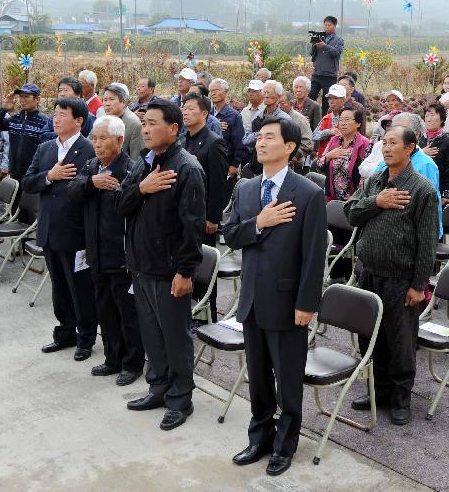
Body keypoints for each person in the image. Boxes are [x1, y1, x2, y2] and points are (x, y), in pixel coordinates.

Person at [224, 118, 326, 476]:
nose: (261, 143)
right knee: (258, 375)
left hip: (287, 302)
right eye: (260, 137)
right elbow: (231, 234)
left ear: (290, 147)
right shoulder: (247, 189)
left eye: (270, 138)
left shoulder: (309, 193)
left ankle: (285, 445)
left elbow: (315, 255)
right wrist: (260, 222)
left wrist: (307, 303)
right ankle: (259, 438)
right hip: (252, 298)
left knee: (287, 378)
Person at [116, 99, 206, 431]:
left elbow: (192, 227)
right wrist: (141, 188)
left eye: (154, 123)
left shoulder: (187, 168)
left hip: (169, 271)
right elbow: (120, 205)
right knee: (152, 335)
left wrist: (185, 271)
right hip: (141, 266)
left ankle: (181, 398)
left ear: (173, 128)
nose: (147, 129)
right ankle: (158, 388)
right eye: (145, 123)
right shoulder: (144, 163)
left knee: (175, 337)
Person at [345, 126, 440, 424]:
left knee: (400, 342)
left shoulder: (422, 189)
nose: (385, 148)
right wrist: (377, 202)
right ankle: (379, 391)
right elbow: (351, 212)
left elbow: (427, 244)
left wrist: (418, 285)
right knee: (369, 339)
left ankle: (401, 398)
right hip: (369, 273)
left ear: (410, 148)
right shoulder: (375, 180)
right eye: (383, 143)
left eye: (393, 143)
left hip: (400, 280)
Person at [67, 115, 145, 386]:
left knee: (127, 312)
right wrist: (91, 183)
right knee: (105, 309)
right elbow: (72, 192)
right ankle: (112, 358)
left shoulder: (132, 170)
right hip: (96, 252)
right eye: (94, 138)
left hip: (122, 255)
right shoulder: (91, 166)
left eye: (102, 139)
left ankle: (132, 363)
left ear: (120, 141)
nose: (96, 144)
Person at [23, 97, 98, 362]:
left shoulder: (89, 149)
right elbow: (28, 182)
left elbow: (90, 190)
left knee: (80, 288)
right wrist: (49, 176)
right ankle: (65, 332)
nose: (56, 118)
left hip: (75, 231)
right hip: (49, 229)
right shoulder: (45, 148)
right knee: (59, 288)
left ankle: (86, 337)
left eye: (62, 114)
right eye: (54, 113)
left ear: (78, 121)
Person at [182, 93, 229, 323]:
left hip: (203, 215)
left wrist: (213, 218)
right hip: (184, 213)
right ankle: (189, 307)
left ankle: (206, 312)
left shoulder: (213, 142)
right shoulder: (184, 139)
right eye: (184, 108)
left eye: (191, 109)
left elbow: (219, 184)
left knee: (203, 265)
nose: (185, 112)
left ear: (204, 113)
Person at [0, 83, 51, 221]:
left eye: (27, 96)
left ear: (37, 99)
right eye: (21, 96)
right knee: (15, 209)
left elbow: (47, 149)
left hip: (32, 174)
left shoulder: (43, 121)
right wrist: (4, 109)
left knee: (30, 213)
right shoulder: (15, 118)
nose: (22, 100)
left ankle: (28, 240)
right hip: (15, 173)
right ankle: (20, 241)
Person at [316, 108, 370, 201]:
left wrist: (355, 200)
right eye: (341, 120)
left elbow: (366, 177)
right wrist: (328, 156)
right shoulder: (334, 140)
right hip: (331, 198)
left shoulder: (365, 144)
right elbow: (319, 165)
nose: (343, 123)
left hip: (353, 201)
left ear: (358, 123)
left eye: (347, 120)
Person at [209, 78, 247, 183]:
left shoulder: (234, 116)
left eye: (216, 90)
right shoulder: (207, 114)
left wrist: (235, 165)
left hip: (226, 163)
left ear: (225, 92)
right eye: (211, 91)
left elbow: (239, 143)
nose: (213, 93)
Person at [309, 15, 344, 115]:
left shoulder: (339, 40)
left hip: (329, 75)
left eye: (329, 25)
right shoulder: (320, 37)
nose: (327, 27)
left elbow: (337, 53)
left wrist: (325, 46)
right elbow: (313, 54)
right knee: (311, 98)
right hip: (317, 73)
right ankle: (310, 120)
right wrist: (314, 44)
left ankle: (325, 122)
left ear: (335, 26)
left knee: (327, 102)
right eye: (325, 25)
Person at [101, 82, 143, 160]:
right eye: (105, 100)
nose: (107, 104)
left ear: (123, 102)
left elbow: (136, 159)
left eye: (111, 99)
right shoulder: (103, 120)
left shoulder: (134, 124)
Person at [421, 102, 449, 188]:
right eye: (427, 116)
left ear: (441, 119)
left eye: (432, 115)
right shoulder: (420, 138)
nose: (428, 119)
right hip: (420, 183)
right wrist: (421, 152)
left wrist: (447, 190)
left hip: (438, 184)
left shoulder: (448, 140)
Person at [278, 91, 313, 165]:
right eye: (277, 103)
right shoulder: (274, 117)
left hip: (294, 164)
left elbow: (307, 143)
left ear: (291, 103)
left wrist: (294, 156)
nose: (279, 106)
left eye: (282, 103)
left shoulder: (300, 120)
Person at [313, 83, 347, 157]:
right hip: (323, 160)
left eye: (335, 98)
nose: (331, 101)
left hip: (340, 159)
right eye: (330, 98)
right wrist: (329, 132)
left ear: (343, 100)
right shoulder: (326, 118)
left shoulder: (349, 118)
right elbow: (314, 136)